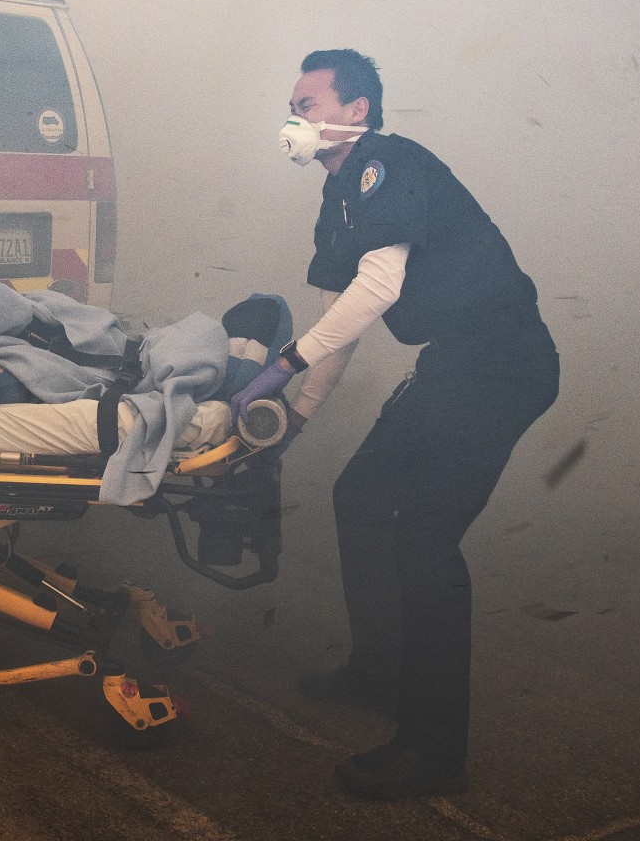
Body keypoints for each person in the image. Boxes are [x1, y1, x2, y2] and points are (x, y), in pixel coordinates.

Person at [231, 49, 559, 800]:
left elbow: (379, 287)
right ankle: (376, 673)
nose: (294, 119)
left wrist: (282, 371)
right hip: (453, 362)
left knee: (423, 539)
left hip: (503, 364)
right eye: (291, 106)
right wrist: (302, 413)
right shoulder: (338, 195)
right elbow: (335, 318)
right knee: (360, 496)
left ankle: (435, 752)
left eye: (308, 105)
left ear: (357, 112)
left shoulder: (390, 166)